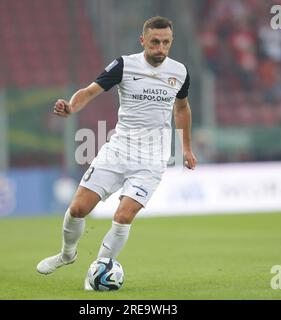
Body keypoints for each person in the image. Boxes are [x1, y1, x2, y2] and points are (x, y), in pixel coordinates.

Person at [36, 16, 197, 290]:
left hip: (152, 159)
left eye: (166, 43)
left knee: (123, 216)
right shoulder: (124, 65)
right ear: (143, 40)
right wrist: (72, 107)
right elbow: (89, 91)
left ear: (171, 42)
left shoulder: (179, 72)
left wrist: (186, 148)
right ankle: (66, 254)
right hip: (118, 150)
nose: (160, 48)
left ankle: (98, 269)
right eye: (155, 42)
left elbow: (181, 108)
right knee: (77, 209)